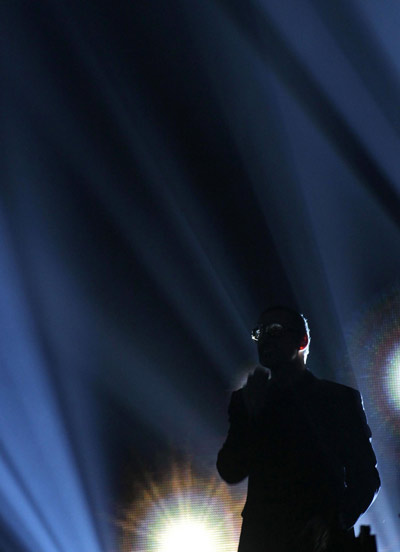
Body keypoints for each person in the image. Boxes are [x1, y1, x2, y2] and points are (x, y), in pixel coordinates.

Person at [217, 306, 380, 552]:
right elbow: (230, 470)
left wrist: (332, 522)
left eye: (274, 330)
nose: (264, 339)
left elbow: (366, 479)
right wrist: (251, 416)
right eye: (259, 333)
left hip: (322, 543)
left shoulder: (338, 399)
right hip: (264, 540)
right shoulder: (246, 400)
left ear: (302, 340)